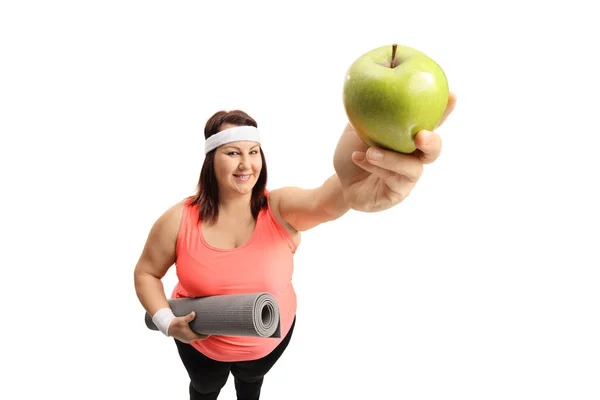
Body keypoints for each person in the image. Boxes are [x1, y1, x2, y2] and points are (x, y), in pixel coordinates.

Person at [133, 92, 457, 400]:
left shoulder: (278, 208)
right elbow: (147, 272)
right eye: (233, 153)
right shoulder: (178, 220)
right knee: (205, 388)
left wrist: (352, 179)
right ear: (210, 161)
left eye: (253, 151)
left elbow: (321, 201)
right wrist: (165, 321)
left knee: (251, 383)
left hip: (269, 336)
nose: (246, 164)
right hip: (199, 344)